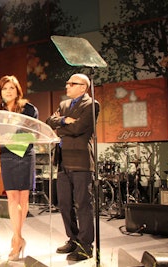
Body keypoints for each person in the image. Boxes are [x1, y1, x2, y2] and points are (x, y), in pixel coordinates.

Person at [46, 73, 99, 262]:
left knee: (83, 205)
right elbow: (48, 121)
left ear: (83, 87)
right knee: (64, 204)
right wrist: (64, 121)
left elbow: (80, 129)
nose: (67, 86)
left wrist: (61, 126)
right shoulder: (63, 105)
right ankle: (73, 239)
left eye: (71, 83)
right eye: (67, 83)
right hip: (62, 161)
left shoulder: (92, 105)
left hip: (81, 161)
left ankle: (86, 247)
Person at [0, 75, 38, 261]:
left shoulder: (28, 109)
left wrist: (10, 137)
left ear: (17, 90)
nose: (8, 91)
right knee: (11, 196)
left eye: (11, 88)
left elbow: (31, 133)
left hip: (24, 153)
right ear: (0, 92)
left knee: (23, 195)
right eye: (4, 88)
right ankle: (18, 238)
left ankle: (16, 239)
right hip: (6, 155)